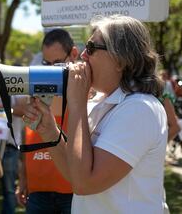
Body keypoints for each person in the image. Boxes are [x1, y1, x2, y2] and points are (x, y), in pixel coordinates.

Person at [23, 15, 168, 213]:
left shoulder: (140, 108)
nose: (83, 56)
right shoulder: (103, 102)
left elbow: (85, 184)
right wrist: (50, 132)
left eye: (91, 48)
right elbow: (75, 174)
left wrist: (77, 103)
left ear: (120, 60)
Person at [17, 28, 77, 214]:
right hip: (38, 191)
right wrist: (23, 179)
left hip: (72, 190)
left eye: (58, 63)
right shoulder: (36, 92)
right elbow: (29, 139)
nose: (51, 69)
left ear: (73, 54)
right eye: (46, 63)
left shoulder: (85, 94)